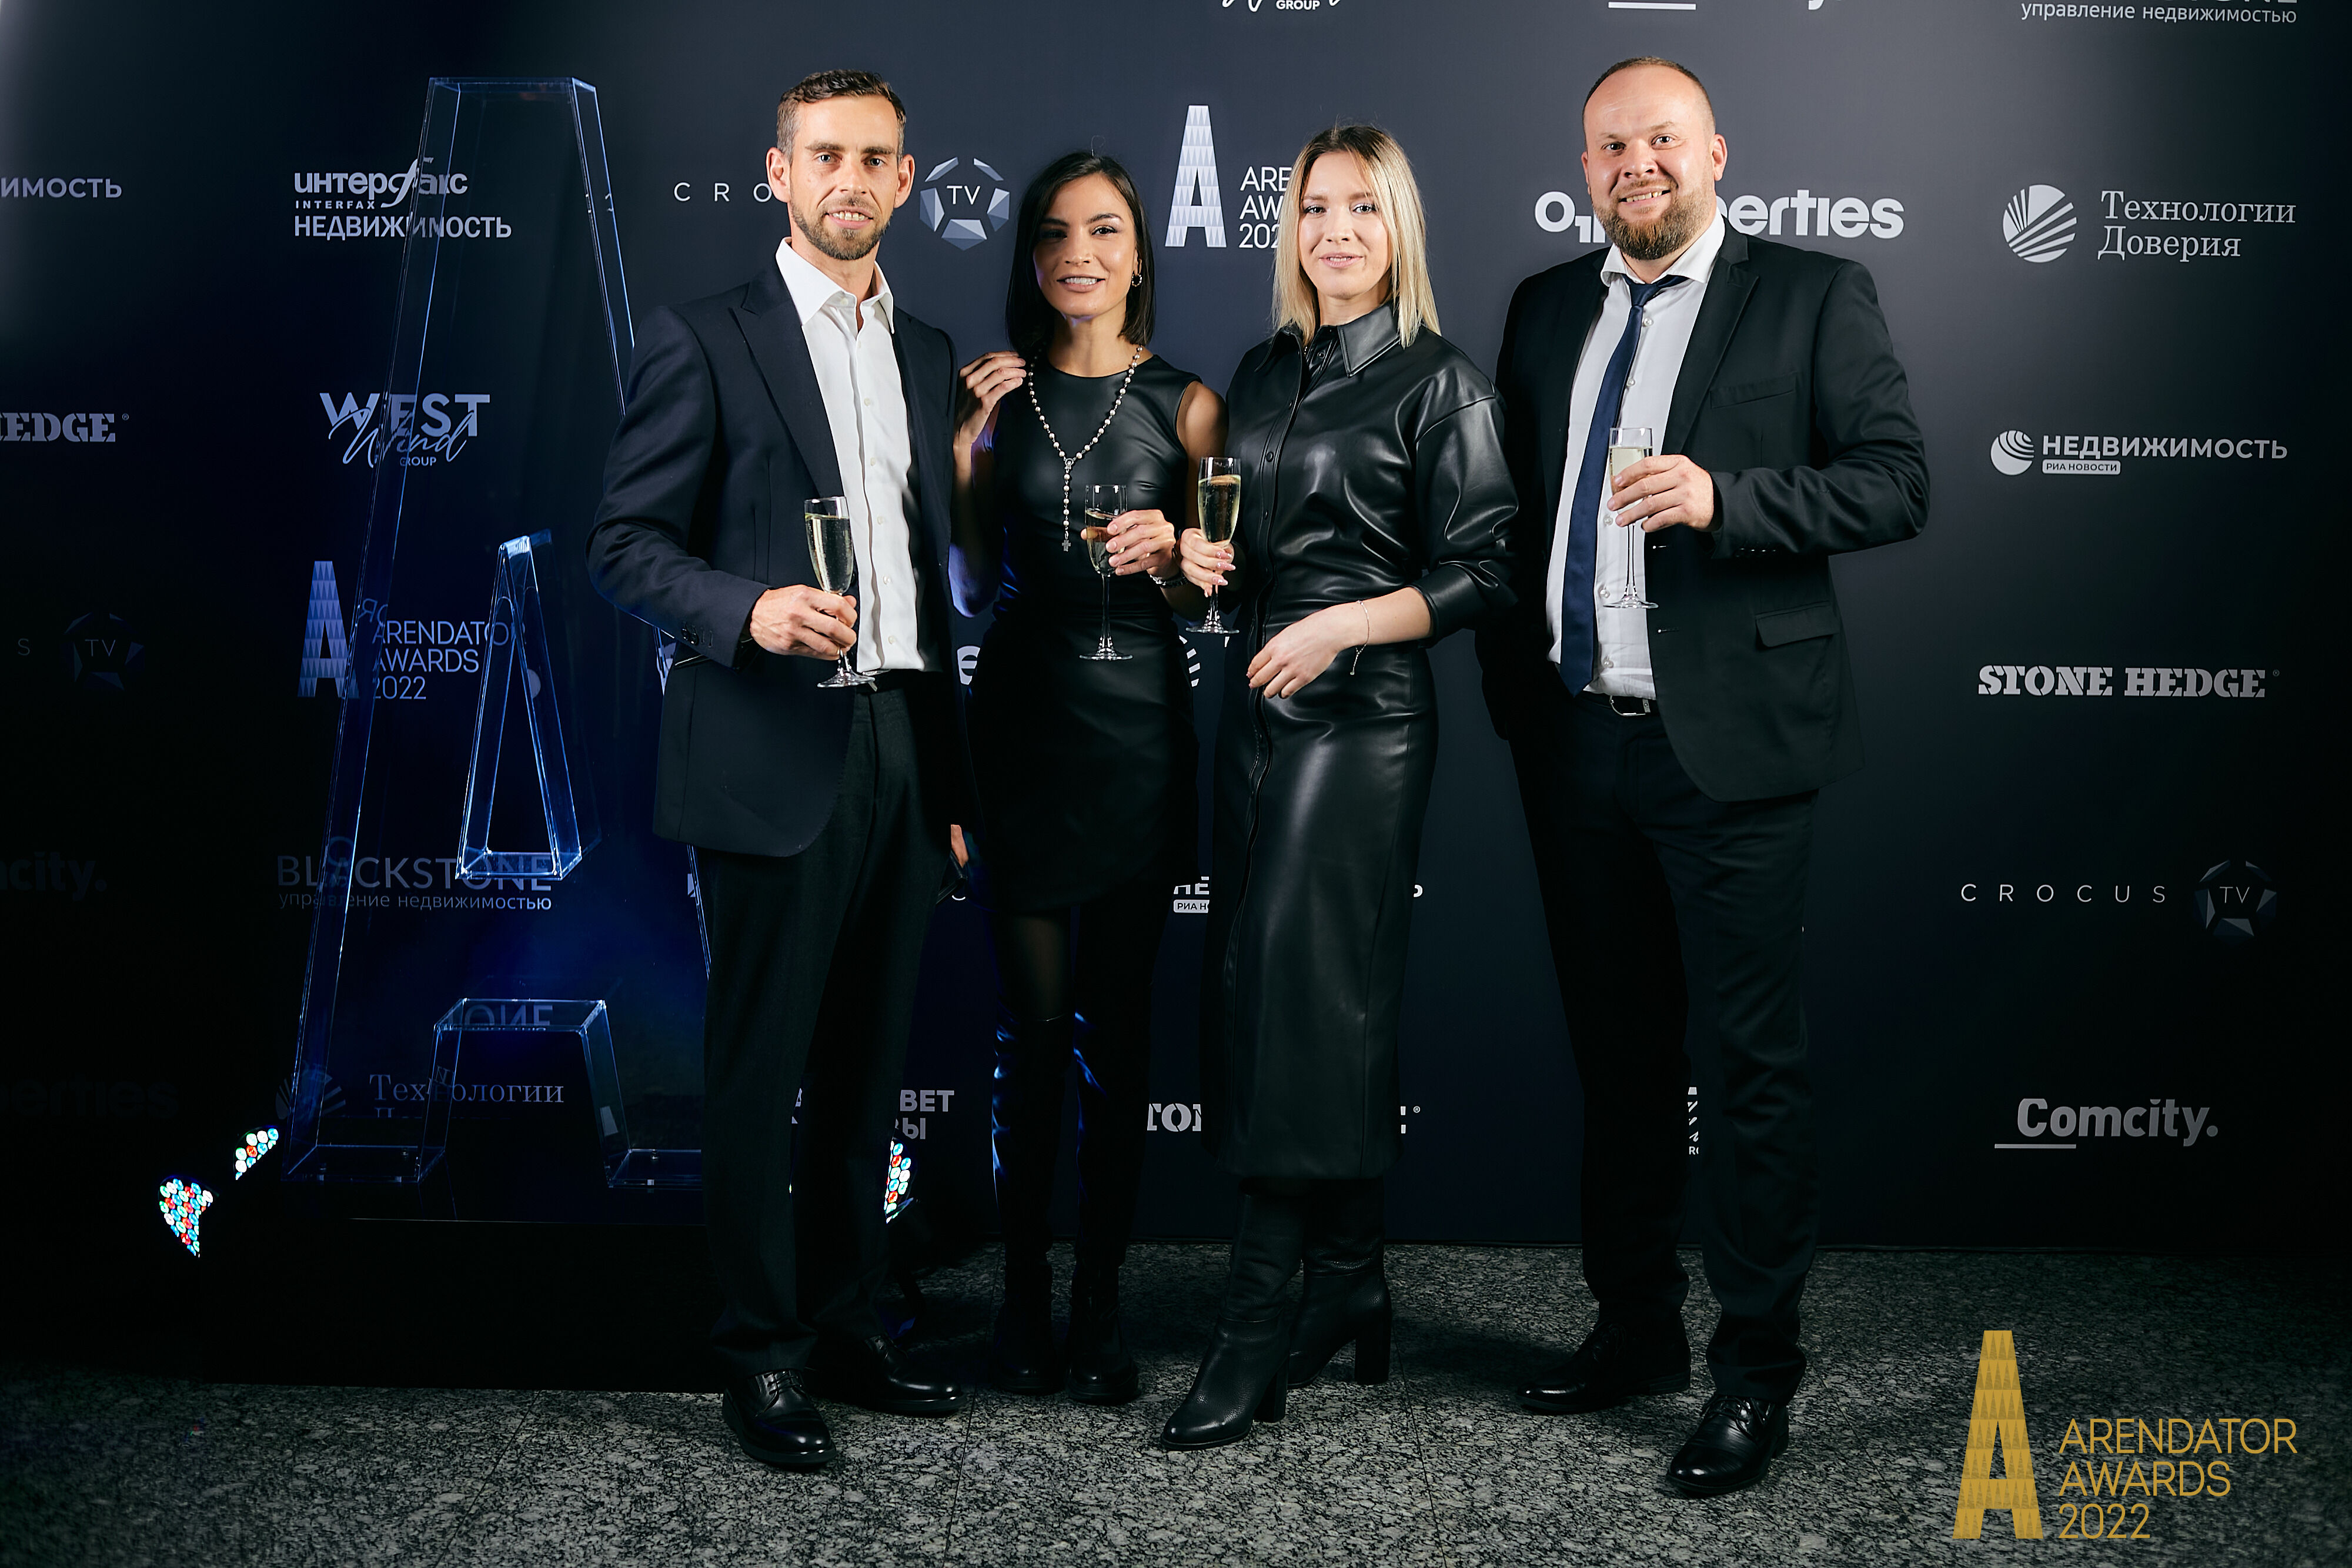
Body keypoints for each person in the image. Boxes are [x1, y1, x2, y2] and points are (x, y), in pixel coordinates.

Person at [1477, 56, 1929, 1497]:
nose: (1636, 164)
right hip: (1574, 737)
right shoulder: (1544, 307)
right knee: (1617, 1057)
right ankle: (1632, 1327)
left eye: (1660, 139)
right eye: (1610, 146)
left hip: (1729, 744)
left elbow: (1896, 479)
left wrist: (1727, 497)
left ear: (1714, 152)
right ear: (1585, 168)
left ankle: (1752, 1374)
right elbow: (1508, 514)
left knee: (1744, 1070)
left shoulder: (1810, 293)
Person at [585, 69, 974, 1471]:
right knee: (760, 1073)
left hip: (899, 743)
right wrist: (745, 610)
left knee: (869, 1071)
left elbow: (926, 569)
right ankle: (760, 1351)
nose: (848, 179)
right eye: (824, 156)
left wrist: (946, 787)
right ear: (778, 173)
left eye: (874, 157)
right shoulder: (703, 337)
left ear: (907, 180)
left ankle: (849, 1318)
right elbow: (623, 545)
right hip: (767, 747)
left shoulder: (925, 349)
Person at [1163, 124, 1514, 1452]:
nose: (1336, 231)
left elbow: (1485, 570)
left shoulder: (1441, 381)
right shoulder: (1265, 370)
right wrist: (1206, 564)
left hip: (1361, 716)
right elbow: (1243, 544)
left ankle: (1253, 1322)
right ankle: (1353, 1274)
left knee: (1297, 1001)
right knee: (1287, 992)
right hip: (1256, 706)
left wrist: (1344, 625)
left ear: (1398, 226)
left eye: (1363, 208)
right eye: (1315, 208)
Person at [947, 152, 1225, 1405]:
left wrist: (1173, 554)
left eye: (1104, 231)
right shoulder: (993, 393)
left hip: (1136, 737)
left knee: (1118, 1032)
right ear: (1030, 256)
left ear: (1138, 252)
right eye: (1055, 233)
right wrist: (966, 455)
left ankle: (1100, 1304)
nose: (1079, 254)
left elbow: (1208, 597)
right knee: (1030, 1028)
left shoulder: (1189, 404)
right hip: (1016, 728)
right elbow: (967, 590)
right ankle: (1021, 1296)